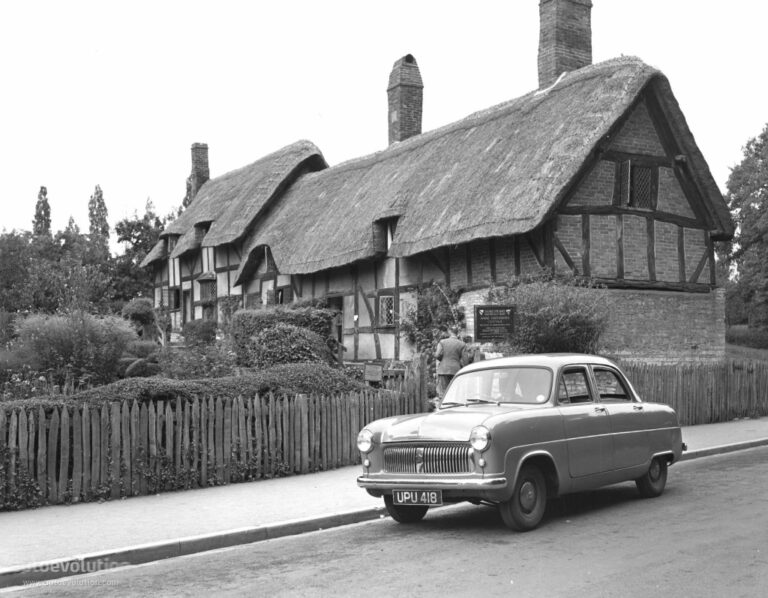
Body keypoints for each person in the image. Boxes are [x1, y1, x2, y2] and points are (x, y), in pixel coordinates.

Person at [435, 326, 467, 398]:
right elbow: (465, 360)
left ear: (449, 332)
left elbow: (437, 355)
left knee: (443, 393)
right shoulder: (462, 344)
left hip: (443, 369)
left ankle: (443, 407)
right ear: (457, 333)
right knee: (455, 392)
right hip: (456, 370)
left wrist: (442, 359)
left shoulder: (442, 342)